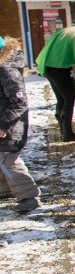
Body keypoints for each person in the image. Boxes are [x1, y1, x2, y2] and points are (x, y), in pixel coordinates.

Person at [0, 37, 42, 214]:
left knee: (9, 160)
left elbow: (19, 103)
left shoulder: (6, 71)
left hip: (10, 126)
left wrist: (4, 126)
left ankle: (29, 196)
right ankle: (5, 189)